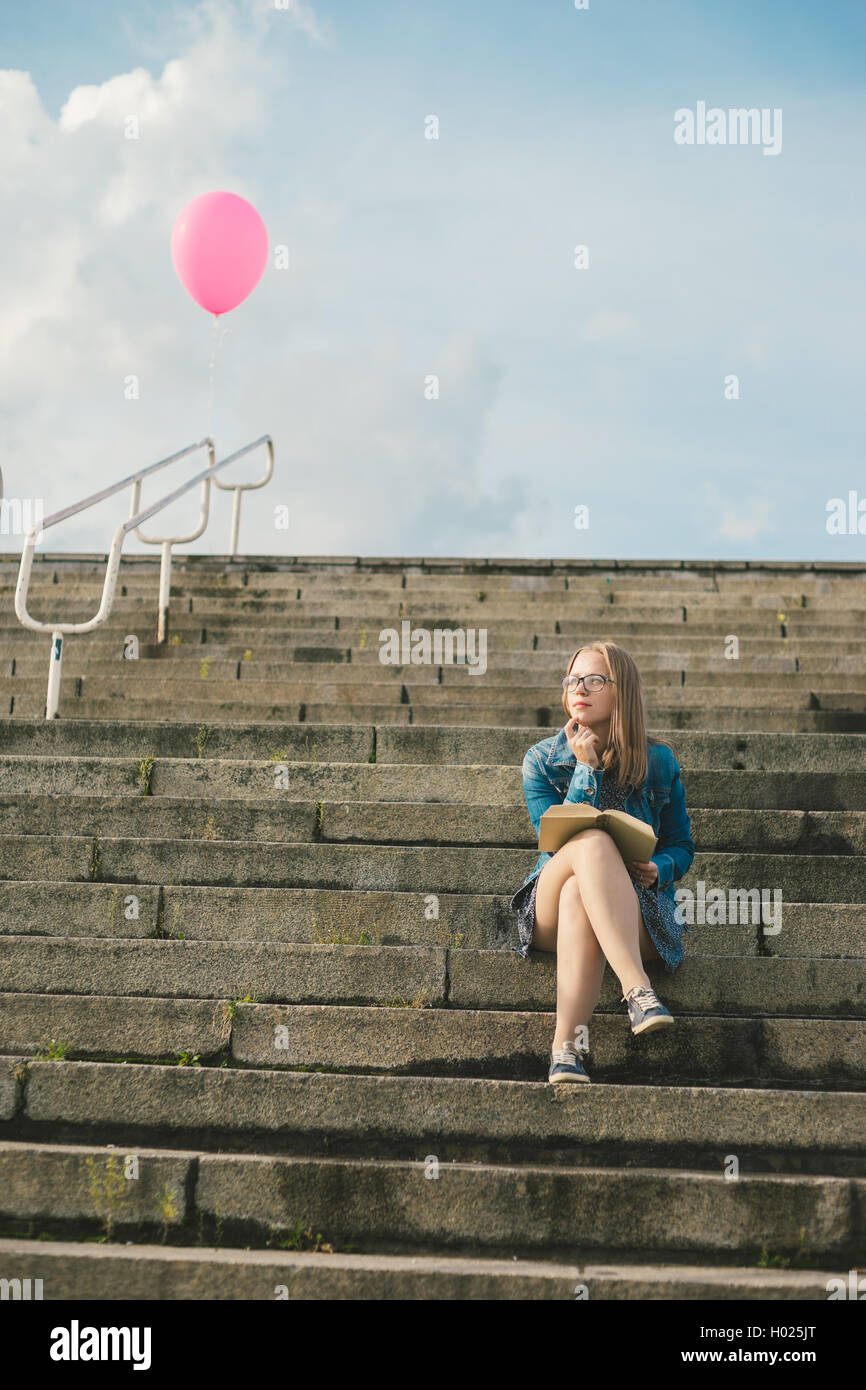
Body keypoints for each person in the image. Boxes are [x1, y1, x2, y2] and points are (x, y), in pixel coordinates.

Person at [509, 640, 695, 1084]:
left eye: (595, 680)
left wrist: (660, 869)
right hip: (547, 907)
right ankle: (638, 991)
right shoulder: (541, 761)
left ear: (621, 691)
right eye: (573, 679)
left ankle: (566, 1051)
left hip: (638, 912)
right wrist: (585, 769)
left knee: (580, 895)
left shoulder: (659, 763)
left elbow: (682, 846)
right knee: (589, 844)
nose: (580, 688)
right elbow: (554, 841)